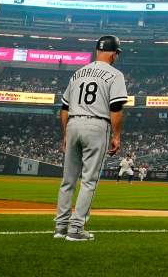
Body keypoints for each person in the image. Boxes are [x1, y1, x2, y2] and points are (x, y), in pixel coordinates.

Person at [54, 35, 129, 241]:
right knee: (89, 181)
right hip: (96, 125)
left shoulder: (78, 73)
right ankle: (76, 228)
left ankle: (60, 227)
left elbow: (64, 108)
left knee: (68, 180)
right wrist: (117, 136)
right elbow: (116, 108)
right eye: (116, 53)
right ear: (114, 53)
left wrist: (65, 134)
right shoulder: (115, 74)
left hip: (73, 124)